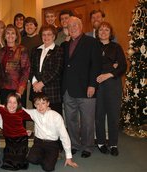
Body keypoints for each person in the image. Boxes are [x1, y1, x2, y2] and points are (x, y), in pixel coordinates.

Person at [61, 16, 102, 158]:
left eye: (75, 25)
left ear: (81, 25)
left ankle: (88, 146)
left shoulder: (92, 42)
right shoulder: (64, 45)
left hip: (86, 89)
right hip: (68, 90)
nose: (72, 28)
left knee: (87, 121)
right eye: (69, 26)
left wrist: (92, 85)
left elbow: (96, 65)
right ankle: (74, 144)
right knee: (70, 120)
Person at [23, 93, 78, 171]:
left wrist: (68, 157)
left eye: (43, 103)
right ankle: (46, 156)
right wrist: (3, 106)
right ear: (34, 105)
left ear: (48, 104)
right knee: (31, 159)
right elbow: (19, 109)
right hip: (38, 143)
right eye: (37, 104)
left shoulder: (56, 116)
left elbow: (64, 136)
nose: (40, 106)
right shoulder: (34, 113)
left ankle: (54, 154)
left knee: (48, 168)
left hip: (52, 144)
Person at [95, 22, 127, 156]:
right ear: (97, 32)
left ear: (110, 32)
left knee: (113, 115)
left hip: (113, 84)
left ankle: (113, 144)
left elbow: (123, 66)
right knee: (99, 115)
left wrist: (108, 73)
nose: (103, 32)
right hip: (97, 85)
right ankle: (101, 142)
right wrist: (112, 65)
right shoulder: (93, 46)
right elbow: (91, 65)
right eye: (101, 30)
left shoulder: (116, 47)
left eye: (106, 30)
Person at [30, 24, 64, 115]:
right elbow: (31, 68)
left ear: (54, 36)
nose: (46, 37)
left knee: (53, 120)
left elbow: (57, 70)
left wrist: (41, 83)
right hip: (36, 90)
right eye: (44, 34)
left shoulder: (59, 50)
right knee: (39, 119)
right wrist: (34, 83)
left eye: (49, 34)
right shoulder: (35, 50)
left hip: (52, 91)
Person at [0, 24, 30, 107]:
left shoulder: (22, 50)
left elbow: (26, 71)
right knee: (5, 113)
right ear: (4, 36)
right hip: (4, 88)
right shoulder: (1, 51)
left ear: (16, 36)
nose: (10, 35)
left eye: (13, 33)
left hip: (17, 88)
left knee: (18, 115)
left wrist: (20, 90)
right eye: (7, 33)